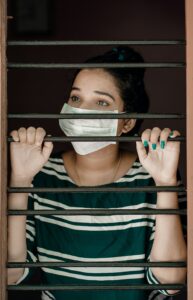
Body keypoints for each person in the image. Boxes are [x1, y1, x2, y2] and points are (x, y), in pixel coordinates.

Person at [7, 46, 187, 300]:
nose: (82, 110)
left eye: (101, 102)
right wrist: (20, 181)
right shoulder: (41, 173)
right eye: (75, 98)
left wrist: (165, 183)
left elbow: (170, 281)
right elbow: (10, 276)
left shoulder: (153, 177)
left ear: (127, 122)